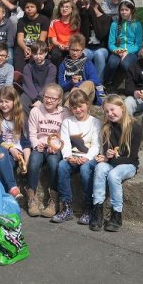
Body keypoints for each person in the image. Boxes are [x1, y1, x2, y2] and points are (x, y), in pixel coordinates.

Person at [88, 94, 143, 232]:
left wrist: (111, 159)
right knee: (100, 168)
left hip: (129, 165)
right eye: (107, 111)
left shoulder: (135, 127)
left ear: (122, 108)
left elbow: (132, 157)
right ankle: (97, 209)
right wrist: (107, 154)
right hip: (112, 162)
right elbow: (107, 151)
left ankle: (116, 213)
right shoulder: (107, 128)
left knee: (113, 174)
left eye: (112, 109)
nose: (110, 114)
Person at [52, 89, 102, 224]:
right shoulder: (68, 122)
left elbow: (96, 145)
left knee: (85, 169)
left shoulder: (95, 122)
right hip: (73, 156)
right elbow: (65, 142)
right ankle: (66, 206)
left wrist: (87, 158)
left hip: (89, 158)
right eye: (74, 108)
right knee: (62, 166)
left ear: (87, 104)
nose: (78, 110)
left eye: (80, 106)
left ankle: (89, 207)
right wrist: (68, 156)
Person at [25, 83, 68, 217]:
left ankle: (54, 199)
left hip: (55, 147)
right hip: (40, 145)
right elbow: (32, 133)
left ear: (59, 100)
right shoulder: (36, 111)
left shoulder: (64, 113)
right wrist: (36, 144)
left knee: (54, 164)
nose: (49, 100)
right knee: (33, 162)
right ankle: (32, 197)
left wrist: (56, 146)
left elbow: (65, 133)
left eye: (53, 98)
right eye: (46, 97)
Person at [0, 86, 31, 199]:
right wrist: (10, 149)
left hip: (17, 153)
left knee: (7, 167)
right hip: (2, 149)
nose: (3, 104)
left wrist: (26, 162)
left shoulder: (21, 118)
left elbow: (25, 142)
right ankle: (13, 187)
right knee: (1, 152)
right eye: (1, 101)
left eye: (7, 101)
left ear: (14, 101)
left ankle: (0, 196)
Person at [103, 0, 143, 92]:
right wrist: (116, 50)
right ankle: (106, 83)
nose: (124, 12)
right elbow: (111, 43)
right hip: (117, 51)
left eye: (126, 10)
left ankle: (128, 85)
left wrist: (126, 52)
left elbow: (138, 44)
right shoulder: (115, 24)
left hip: (131, 52)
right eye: (121, 10)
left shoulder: (137, 25)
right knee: (112, 63)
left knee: (125, 64)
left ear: (131, 10)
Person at [58, 34, 104, 106]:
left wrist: (77, 85)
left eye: (77, 50)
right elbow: (61, 86)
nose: (75, 53)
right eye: (73, 50)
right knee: (70, 95)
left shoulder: (87, 63)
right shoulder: (63, 65)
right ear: (69, 49)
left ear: (82, 50)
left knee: (89, 83)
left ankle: (67, 108)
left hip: (86, 94)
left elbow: (95, 80)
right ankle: (68, 108)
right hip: (70, 93)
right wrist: (71, 83)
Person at [78, 0, 111, 82]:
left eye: (91, 8)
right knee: (83, 54)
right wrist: (85, 18)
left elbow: (100, 35)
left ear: (96, 5)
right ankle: (84, 83)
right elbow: (84, 37)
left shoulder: (107, 18)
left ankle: (98, 84)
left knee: (98, 54)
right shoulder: (86, 17)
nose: (90, 11)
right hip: (88, 48)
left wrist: (93, 16)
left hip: (102, 48)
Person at [14, 0, 50, 72]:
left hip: (38, 46)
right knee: (18, 56)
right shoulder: (21, 21)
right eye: (27, 7)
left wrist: (33, 51)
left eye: (32, 7)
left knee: (34, 59)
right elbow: (20, 39)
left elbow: (42, 39)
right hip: (24, 46)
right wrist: (25, 48)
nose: (29, 9)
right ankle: (19, 77)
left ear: (37, 7)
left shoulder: (44, 20)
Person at [21, 41, 56, 113]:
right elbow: (28, 85)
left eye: (40, 54)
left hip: (46, 93)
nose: (38, 56)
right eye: (35, 54)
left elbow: (48, 84)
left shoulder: (52, 67)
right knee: (22, 100)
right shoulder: (28, 67)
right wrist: (35, 99)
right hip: (31, 94)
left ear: (46, 53)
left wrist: (40, 99)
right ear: (31, 54)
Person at [48, 0, 81, 66]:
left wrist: (70, 46)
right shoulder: (54, 22)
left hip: (71, 46)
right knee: (56, 54)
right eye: (62, 7)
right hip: (57, 46)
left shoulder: (75, 23)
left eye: (67, 7)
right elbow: (53, 40)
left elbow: (76, 38)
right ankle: (58, 72)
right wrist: (59, 45)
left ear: (72, 9)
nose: (64, 9)